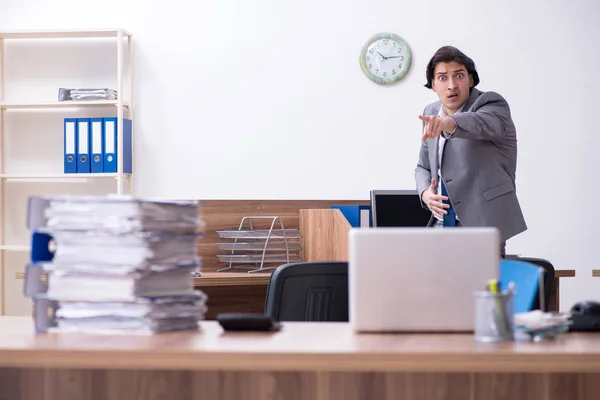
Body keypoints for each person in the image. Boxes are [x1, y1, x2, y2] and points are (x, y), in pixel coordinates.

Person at [414, 46, 527, 258]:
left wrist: (447, 122)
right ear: (433, 86)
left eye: (459, 75)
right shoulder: (430, 112)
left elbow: (477, 123)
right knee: (438, 290)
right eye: (442, 78)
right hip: (440, 225)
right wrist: (425, 193)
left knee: (480, 290)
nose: (451, 85)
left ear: (471, 80)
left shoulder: (491, 104)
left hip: (482, 225)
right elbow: (423, 167)